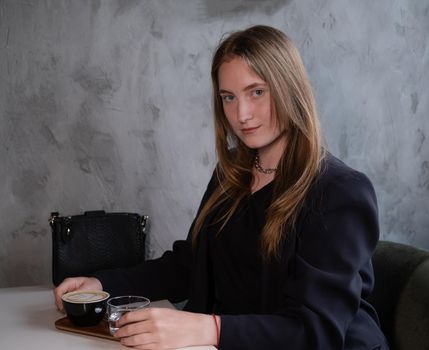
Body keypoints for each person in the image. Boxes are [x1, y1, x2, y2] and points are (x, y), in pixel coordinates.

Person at [54, 25, 389, 350]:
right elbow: (191, 264)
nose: (241, 114)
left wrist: (206, 328)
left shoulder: (340, 192)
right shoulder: (232, 173)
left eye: (257, 92)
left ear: (290, 89)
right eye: (228, 97)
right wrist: (103, 284)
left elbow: (316, 332)